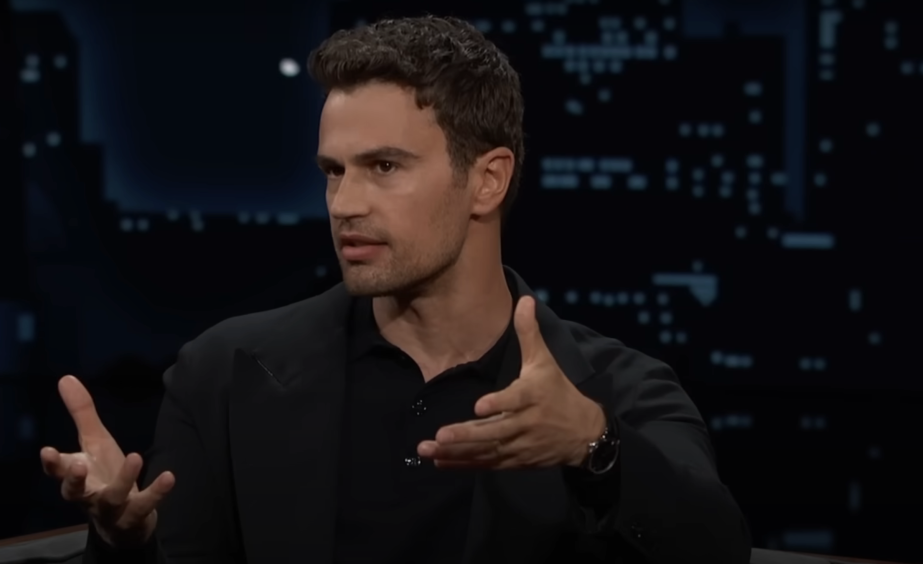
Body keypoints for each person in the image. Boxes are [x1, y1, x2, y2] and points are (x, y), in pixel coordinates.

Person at [41, 15, 751, 564]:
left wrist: (593, 447)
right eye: (333, 170)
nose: (343, 203)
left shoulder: (616, 390)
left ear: (488, 179)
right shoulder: (224, 374)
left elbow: (716, 549)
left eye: (383, 166)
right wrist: (121, 544)